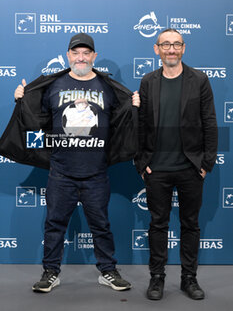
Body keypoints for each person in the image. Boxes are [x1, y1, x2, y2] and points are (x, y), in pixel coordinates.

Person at [1, 33, 140, 293]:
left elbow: (122, 124)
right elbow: (35, 123)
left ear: (94, 57)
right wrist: (23, 99)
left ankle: (107, 271)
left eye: (86, 53)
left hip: (96, 172)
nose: (81, 57)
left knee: (101, 224)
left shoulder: (108, 87)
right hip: (61, 172)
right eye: (76, 53)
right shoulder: (52, 86)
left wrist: (134, 107)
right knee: (54, 224)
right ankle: (50, 272)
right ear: (68, 56)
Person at [135, 29, 217, 300]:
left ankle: (188, 279)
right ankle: (157, 278)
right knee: (158, 225)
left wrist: (206, 163)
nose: (171, 49)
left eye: (176, 44)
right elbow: (140, 125)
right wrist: (141, 161)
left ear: (184, 48)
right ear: (156, 49)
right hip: (156, 169)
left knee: (190, 225)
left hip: (190, 168)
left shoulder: (200, 80)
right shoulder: (148, 81)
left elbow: (209, 123)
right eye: (166, 44)